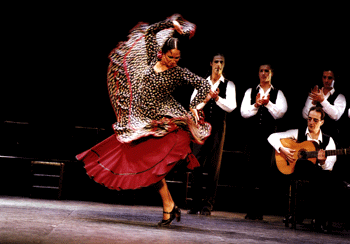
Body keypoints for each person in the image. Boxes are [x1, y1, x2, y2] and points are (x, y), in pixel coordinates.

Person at [76, 15, 211, 227]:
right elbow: (149, 33)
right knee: (143, 164)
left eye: (177, 58)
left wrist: (195, 106)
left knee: (151, 165)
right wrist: (169, 25)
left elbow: (203, 85)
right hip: (141, 120)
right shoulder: (151, 58)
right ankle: (169, 204)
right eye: (171, 57)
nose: (174, 61)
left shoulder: (177, 73)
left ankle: (169, 206)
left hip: (163, 123)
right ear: (162, 53)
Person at [268, 106, 337, 232]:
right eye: (309, 119)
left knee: (324, 177)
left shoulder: (328, 140)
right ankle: (315, 219)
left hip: (318, 176)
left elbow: (330, 166)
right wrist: (282, 148)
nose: (311, 122)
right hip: (298, 173)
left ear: (322, 122)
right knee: (302, 163)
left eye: (315, 120)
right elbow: (272, 137)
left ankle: (309, 216)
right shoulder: (297, 133)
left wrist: (322, 161)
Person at [188, 53, 237, 215]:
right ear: (210, 63)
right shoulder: (201, 83)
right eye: (216, 61)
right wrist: (208, 97)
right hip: (201, 127)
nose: (218, 65)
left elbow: (231, 106)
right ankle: (194, 204)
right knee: (196, 164)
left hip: (217, 128)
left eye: (221, 62)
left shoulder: (228, 85)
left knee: (214, 167)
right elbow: (192, 104)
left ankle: (208, 205)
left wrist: (217, 100)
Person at [240, 64, 288, 220]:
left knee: (264, 173)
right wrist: (256, 104)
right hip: (252, 137)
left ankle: (259, 210)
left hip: (269, 139)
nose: (263, 73)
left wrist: (267, 103)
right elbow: (243, 112)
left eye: (266, 71)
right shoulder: (250, 91)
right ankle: (250, 209)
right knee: (249, 172)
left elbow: (280, 113)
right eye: (261, 71)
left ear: (271, 73)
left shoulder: (277, 93)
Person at [302, 69, 346, 145]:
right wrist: (313, 103)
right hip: (312, 137)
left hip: (330, 138)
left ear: (334, 79)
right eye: (324, 77)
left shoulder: (339, 97)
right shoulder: (315, 93)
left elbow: (335, 115)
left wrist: (322, 101)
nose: (326, 80)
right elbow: (305, 115)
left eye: (329, 78)